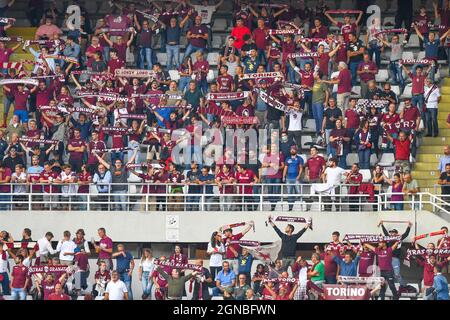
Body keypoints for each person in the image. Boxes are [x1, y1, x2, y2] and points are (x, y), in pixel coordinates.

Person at [379, 220, 412, 291]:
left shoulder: (399, 238)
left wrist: (409, 226)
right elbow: (385, 233)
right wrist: (382, 225)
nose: (391, 234)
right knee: (387, 274)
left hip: (395, 259)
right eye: (391, 232)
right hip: (387, 259)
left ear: (396, 233)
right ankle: (386, 289)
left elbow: (406, 234)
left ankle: (403, 286)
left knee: (396, 274)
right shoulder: (389, 238)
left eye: (393, 232)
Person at [283, 145, 303, 211]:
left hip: (296, 178)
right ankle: (290, 207)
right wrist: (284, 176)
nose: (292, 150)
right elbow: (285, 168)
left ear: (296, 150)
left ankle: (301, 207)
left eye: (293, 149)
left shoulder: (299, 158)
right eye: (291, 149)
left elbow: (301, 168)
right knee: (289, 193)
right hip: (289, 178)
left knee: (298, 192)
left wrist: (299, 176)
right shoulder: (288, 158)